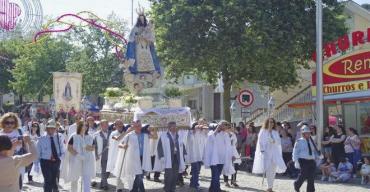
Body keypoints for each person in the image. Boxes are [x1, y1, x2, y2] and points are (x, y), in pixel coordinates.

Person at [114, 120, 152, 192]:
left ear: (141, 126)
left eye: (139, 126)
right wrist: (123, 146)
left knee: (140, 175)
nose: (138, 127)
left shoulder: (145, 135)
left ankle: (138, 190)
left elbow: (155, 137)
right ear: (133, 127)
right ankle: (136, 190)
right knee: (139, 175)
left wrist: (154, 129)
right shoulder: (129, 135)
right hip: (133, 159)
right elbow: (119, 144)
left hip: (143, 158)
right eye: (136, 126)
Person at [253, 118, 286, 192]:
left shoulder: (275, 132)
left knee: (273, 170)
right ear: (267, 123)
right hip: (267, 153)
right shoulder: (263, 131)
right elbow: (260, 142)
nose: (271, 124)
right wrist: (263, 151)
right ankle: (269, 187)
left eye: (272, 122)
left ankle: (270, 186)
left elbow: (278, 142)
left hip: (274, 153)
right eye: (270, 122)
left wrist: (273, 141)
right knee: (268, 169)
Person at [61, 120, 96, 192]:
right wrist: (78, 155)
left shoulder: (90, 136)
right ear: (79, 126)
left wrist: (85, 146)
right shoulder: (74, 136)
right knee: (74, 178)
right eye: (83, 125)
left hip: (87, 160)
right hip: (75, 159)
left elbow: (93, 148)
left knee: (86, 178)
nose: (85, 127)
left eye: (86, 125)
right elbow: (69, 148)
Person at [155, 121, 187, 192]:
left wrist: (184, 154)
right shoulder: (164, 136)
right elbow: (159, 147)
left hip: (177, 158)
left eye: (175, 126)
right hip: (168, 159)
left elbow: (182, 145)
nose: (174, 128)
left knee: (175, 175)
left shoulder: (179, 136)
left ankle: (172, 189)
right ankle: (167, 189)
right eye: (173, 126)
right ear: (169, 128)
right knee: (168, 176)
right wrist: (161, 156)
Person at [204, 120, 235, 192]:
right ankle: (216, 189)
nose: (225, 127)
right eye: (224, 125)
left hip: (222, 158)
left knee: (217, 175)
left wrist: (232, 154)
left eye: (226, 125)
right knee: (215, 175)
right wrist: (217, 129)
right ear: (219, 125)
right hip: (214, 159)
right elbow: (210, 139)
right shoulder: (212, 133)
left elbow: (229, 146)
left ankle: (213, 189)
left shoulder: (225, 134)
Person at [0, 112, 28, 190]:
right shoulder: (0, 134)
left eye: (12, 122)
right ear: (3, 123)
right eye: (7, 122)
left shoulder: (19, 132)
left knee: (19, 183)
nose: (10, 125)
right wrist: (12, 146)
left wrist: (24, 143)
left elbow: (25, 146)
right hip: (4, 162)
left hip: (19, 160)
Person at [37, 119, 65, 192]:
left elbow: (62, 149)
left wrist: (60, 159)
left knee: (54, 180)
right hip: (45, 162)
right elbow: (38, 152)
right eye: (50, 128)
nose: (52, 130)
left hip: (56, 161)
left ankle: (55, 189)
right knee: (48, 179)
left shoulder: (59, 137)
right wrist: (37, 163)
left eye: (53, 128)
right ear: (47, 128)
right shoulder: (41, 139)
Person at [293, 125, 321, 192]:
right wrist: (296, 161)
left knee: (311, 177)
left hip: (311, 161)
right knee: (303, 175)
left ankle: (310, 190)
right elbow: (295, 152)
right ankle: (297, 184)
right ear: (303, 134)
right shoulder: (299, 141)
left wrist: (319, 155)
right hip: (303, 160)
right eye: (306, 133)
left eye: (309, 133)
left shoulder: (312, 141)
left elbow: (314, 150)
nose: (308, 134)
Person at [186, 118, 208, 191]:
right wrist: (195, 129)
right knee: (195, 170)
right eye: (201, 123)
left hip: (200, 156)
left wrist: (205, 131)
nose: (202, 124)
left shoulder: (204, 133)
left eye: (204, 123)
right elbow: (190, 138)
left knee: (197, 171)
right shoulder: (192, 132)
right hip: (194, 155)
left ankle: (193, 183)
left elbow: (207, 141)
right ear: (198, 123)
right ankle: (195, 185)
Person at [93, 119, 111, 190]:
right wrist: (96, 155)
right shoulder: (96, 134)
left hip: (110, 155)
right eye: (104, 125)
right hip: (102, 155)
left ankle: (102, 181)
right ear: (101, 126)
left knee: (108, 171)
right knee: (104, 170)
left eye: (107, 124)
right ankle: (105, 185)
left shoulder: (111, 133)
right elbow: (95, 146)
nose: (106, 126)